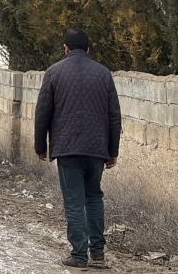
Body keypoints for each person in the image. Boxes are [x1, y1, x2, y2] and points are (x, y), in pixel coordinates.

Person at [34, 29, 122, 269]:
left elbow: (43, 113)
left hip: (67, 148)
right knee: (94, 197)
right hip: (96, 149)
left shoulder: (53, 72)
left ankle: (79, 256)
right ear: (88, 49)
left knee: (74, 201)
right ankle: (98, 255)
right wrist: (112, 151)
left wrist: (40, 146)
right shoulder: (104, 74)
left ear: (65, 48)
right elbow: (115, 115)